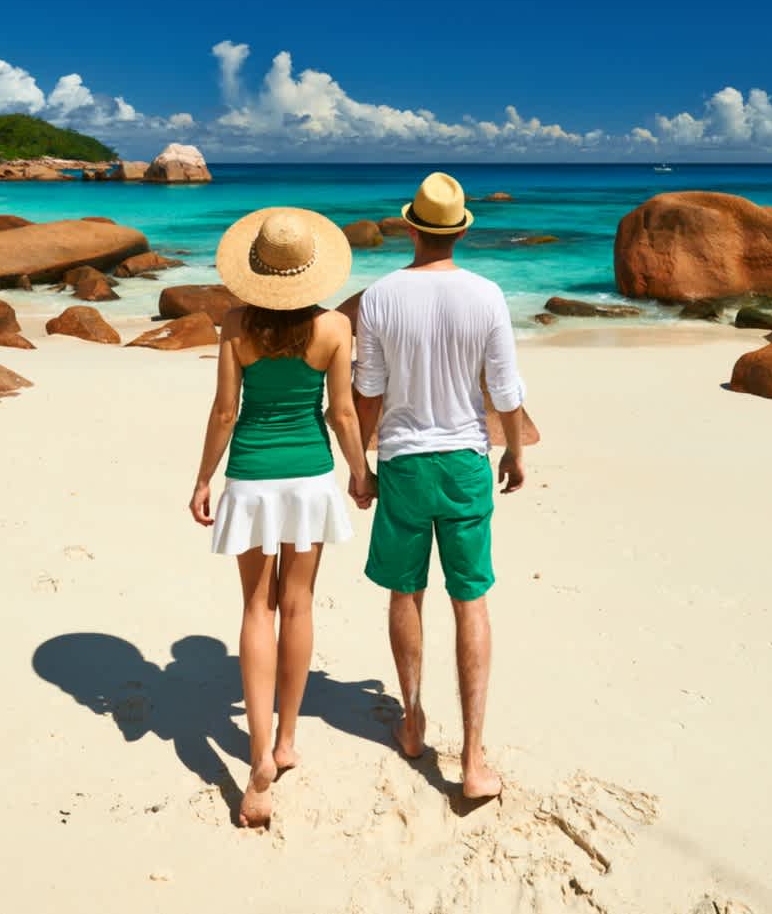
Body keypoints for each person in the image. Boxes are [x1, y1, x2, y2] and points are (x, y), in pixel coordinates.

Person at [190, 207, 370, 828]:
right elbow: (344, 414)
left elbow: (223, 412)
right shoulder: (334, 329)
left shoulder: (236, 324)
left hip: (252, 475)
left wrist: (202, 478)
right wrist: (360, 472)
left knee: (254, 609)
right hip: (311, 477)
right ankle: (286, 742)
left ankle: (257, 755)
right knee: (297, 604)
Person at [351, 172, 527, 800]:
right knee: (470, 601)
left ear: (412, 228)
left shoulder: (379, 296)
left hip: (402, 462)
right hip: (462, 462)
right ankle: (474, 759)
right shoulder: (486, 295)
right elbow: (504, 389)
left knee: (406, 594)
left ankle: (414, 719)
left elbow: (366, 393)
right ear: (459, 231)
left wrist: (358, 465)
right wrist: (514, 453)